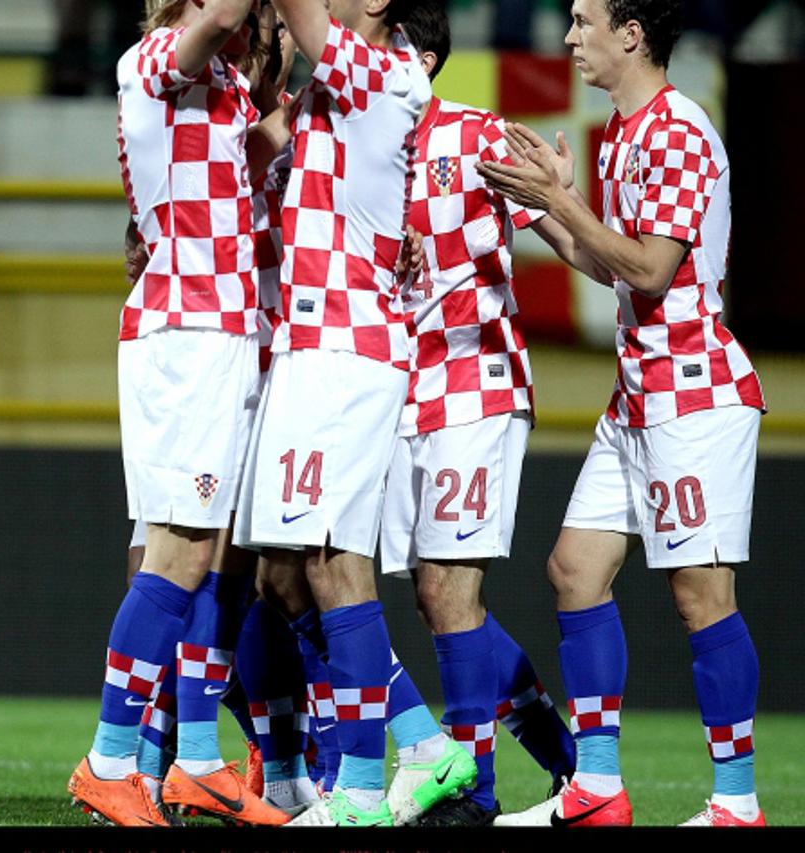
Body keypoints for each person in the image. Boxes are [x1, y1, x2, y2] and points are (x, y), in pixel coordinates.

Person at [478, 0, 766, 828]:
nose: (570, 37)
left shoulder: (677, 130)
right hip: (641, 396)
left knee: (703, 598)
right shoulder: (629, 131)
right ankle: (596, 786)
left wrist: (563, 205)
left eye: (582, 20)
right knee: (573, 570)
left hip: (694, 396)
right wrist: (537, 203)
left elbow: (646, 269)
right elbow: (606, 260)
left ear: (631, 33)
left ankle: (737, 804)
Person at [233, 0, 477, 828]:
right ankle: (421, 741)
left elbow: (307, 23)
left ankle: (364, 791)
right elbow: (253, 153)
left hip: (349, 349)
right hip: (309, 348)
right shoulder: (336, 89)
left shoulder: (387, 75)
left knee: (335, 561)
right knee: (284, 573)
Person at [67, 0, 293, 827]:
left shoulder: (227, 85)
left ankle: (196, 761)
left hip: (222, 330)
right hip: (186, 329)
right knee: (176, 551)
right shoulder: (154, 59)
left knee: (213, 550)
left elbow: (275, 154)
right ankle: (110, 759)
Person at [378, 1, 578, 826]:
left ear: (418, 59)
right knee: (431, 597)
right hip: (394, 391)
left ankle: (474, 792)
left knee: (448, 587)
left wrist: (565, 202)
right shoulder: (361, 147)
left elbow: (571, 246)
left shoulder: (479, 135)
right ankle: (567, 759)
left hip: (475, 379)